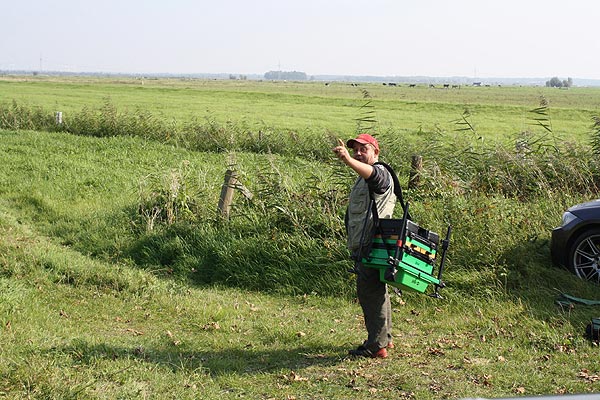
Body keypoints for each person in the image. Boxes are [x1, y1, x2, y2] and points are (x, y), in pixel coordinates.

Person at [333, 133, 397, 359]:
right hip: (368, 243)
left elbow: (375, 177)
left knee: (369, 292)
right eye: (355, 150)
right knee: (377, 291)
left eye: (364, 149)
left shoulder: (380, 172)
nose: (358, 153)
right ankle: (384, 339)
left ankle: (376, 345)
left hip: (372, 243)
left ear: (376, 152)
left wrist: (348, 160)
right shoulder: (363, 176)